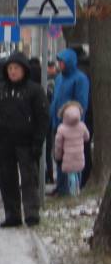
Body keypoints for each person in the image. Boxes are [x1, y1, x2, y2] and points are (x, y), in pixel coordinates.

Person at [0, 52, 49, 228]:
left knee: (29, 179)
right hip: (3, 142)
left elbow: (42, 117)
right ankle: (12, 214)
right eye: (10, 68)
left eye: (16, 68)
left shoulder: (34, 90)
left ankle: (31, 213)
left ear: (24, 70)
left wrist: (38, 141)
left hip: (26, 142)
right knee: (7, 180)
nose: (13, 72)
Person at [50, 48, 90, 195]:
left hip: (72, 126)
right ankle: (61, 186)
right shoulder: (59, 78)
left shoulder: (80, 79)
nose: (59, 64)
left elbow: (81, 103)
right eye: (59, 61)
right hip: (57, 123)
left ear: (69, 62)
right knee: (58, 155)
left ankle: (71, 188)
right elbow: (55, 99)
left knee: (72, 158)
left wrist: (74, 120)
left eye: (62, 62)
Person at [55, 101, 89, 197]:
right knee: (78, 172)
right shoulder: (82, 126)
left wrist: (58, 156)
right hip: (79, 155)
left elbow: (58, 145)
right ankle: (78, 190)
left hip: (68, 157)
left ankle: (72, 192)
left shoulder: (61, 129)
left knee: (71, 174)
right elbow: (87, 137)